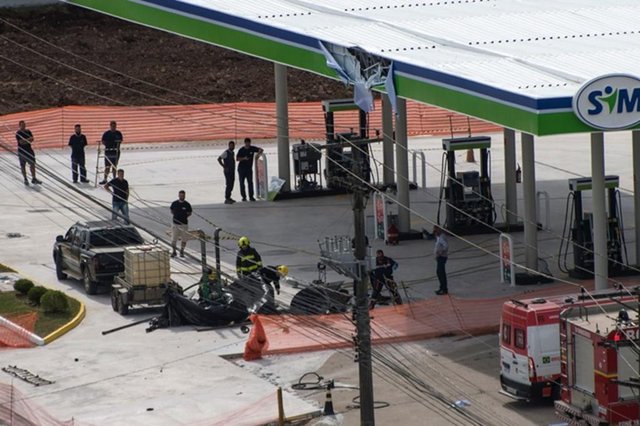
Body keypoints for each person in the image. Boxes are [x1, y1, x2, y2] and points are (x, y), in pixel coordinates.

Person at [236, 137, 263, 202]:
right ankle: (244, 197)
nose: (247, 144)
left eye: (248, 143)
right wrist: (244, 158)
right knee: (242, 183)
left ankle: (251, 196)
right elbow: (237, 159)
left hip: (248, 169)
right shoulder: (241, 150)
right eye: (246, 143)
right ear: (245, 143)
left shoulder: (252, 148)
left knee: (250, 183)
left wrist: (258, 156)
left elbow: (261, 150)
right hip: (241, 169)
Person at [15, 120, 41, 186]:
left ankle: (34, 178)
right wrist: (28, 140)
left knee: (32, 164)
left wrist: (26, 140)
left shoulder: (28, 131)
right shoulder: (18, 133)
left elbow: (32, 139)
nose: (23, 126)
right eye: (22, 125)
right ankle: (25, 179)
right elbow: (21, 142)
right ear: (19, 125)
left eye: (24, 124)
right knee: (23, 165)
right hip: (22, 151)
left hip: (29, 150)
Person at [170, 190, 193, 258]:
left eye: (183, 196)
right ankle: (174, 251)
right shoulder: (174, 203)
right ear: (178, 195)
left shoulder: (187, 204)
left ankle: (182, 251)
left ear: (184, 196)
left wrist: (184, 217)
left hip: (184, 224)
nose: (182, 197)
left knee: (184, 239)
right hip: (175, 224)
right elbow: (172, 211)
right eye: (180, 195)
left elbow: (189, 213)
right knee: (174, 239)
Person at [433, 225, 449, 295]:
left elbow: (446, 246)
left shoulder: (442, 237)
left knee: (441, 272)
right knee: (439, 272)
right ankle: (441, 287)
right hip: (439, 257)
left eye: (436, 231)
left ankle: (444, 289)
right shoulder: (438, 237)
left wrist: (440, 252)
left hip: (442, 257)